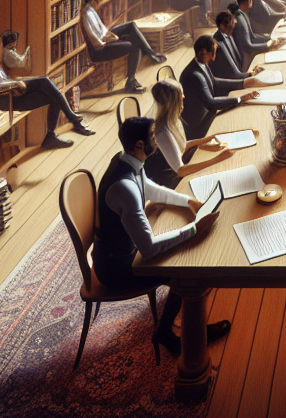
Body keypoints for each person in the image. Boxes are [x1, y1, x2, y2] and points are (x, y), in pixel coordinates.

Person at [93, 116, 229, 358]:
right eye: (153, 136)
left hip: (120, 251)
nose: (157, 140)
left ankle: (181, 326)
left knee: (183, 256)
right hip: (117, 268)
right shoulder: (124, 187)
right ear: (139, 145)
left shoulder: (127, 161)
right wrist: (194, 228)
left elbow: (151, 189)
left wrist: (188, 201)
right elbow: (148, 248)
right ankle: (171, 334)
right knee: (185, 271)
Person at [0, 32, 95, 149]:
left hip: (10, 90)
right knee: (50, 89)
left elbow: (1, 78)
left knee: (49, 87)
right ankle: (70, 123)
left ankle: (62, 128)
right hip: (6, 99)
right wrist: (16, 83)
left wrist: (17, 80)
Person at [144, 78, 232, 189]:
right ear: (172, 104)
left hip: (175, 171)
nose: (183, 102)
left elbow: (181, 146)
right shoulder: (161, 132)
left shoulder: (171, 119)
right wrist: (217, 159)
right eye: (181, 100)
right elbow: (181, 171)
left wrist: (205, 140)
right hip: (165, 182)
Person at [80, 0, 166, 94]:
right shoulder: (86, 15)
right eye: (97, 0)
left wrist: (111, 35)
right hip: (99, 48)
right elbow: (95, 40)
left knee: (131, 26)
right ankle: (131, 81)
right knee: (134, 46)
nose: (99, 2)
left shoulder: (90, 10)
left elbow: (102, 30)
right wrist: (109, 40)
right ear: (92, 0)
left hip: (104, 38)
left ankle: (150, 53)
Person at [179, 34, 260, 140]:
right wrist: (239, 99)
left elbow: (214, 82)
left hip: (208, 114)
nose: (216, 52)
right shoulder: (194, 75)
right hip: (201, 125)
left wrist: (243, 83)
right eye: (214, 50)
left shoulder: (200, 64)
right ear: (204, 51)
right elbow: (211, 103)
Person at [213, 9, 267, 84]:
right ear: (222, 25)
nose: (234, 23)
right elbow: (233, 75)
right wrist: (251, 74)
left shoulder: (227, 34)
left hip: (239, 77)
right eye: (231, 22)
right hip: (232, 84)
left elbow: (239, 65)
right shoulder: (219, 44)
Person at [233, 0, 286, 68]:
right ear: (243, 3)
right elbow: (248, 46)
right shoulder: (239, 19)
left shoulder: (243, 15)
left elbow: (252, 37)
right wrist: (267, 46)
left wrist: (270, 38)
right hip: (244, 59)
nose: (251, 4)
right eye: (250, 1)